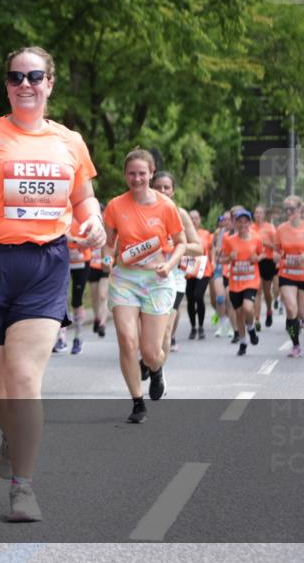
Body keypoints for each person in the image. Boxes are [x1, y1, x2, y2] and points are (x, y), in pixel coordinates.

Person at [0, 46, 104, 522]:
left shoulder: (70, 141)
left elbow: (85, 197)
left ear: (50, 83)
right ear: (7, 84)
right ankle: (11, 432)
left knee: (25, 377)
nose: (24, 84)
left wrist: (95, 222)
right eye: (15, 77)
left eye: (34, 76)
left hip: (45, 264)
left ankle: (23, 487)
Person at [103, 150, 185, 424]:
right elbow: (109, 242)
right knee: (127, 340)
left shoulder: (165, 206)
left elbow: (181, 242)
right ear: (125, 175)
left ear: (151, 173)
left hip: (157, 280)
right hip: (125, 279)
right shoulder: (115, 205)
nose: (136, 178)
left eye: (142, 173)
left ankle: (156, 369)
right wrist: (106, 259)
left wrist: (169, 264)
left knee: (151, 351)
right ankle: (137, 403)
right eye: (131, 173)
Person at [149, 171, 202, 356]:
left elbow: (198, 248)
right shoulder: (141, 211)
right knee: (148, 333)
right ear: (151, 188)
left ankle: (157, 374)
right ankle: (150, 359)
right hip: (146, 278)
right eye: (158, 187)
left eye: (166, 187)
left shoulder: (180, 214)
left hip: (174, 279)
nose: (162, 190)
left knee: (165, 330)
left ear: (173, 191)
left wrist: (177, 246)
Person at [273, 195, 304, 356]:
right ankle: (296, 345)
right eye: (286, 209)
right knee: (291, 310)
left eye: (291, 209)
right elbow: (276, 250)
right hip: (287, 274)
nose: (288, 212)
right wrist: (276, 256)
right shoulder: (281, 229)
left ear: (299, 210)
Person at [219, 210, 263, 355]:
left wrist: (257, 258)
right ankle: (243, 343)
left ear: (250, 223)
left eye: (246, 221)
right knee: (238, 314)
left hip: (251, 280)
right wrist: (229, 258)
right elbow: (221, 259)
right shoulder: (229, 240)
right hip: (235, 282)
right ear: (235, 223)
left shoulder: (256, 239)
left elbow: (262, 253)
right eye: (240, 221)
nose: (243, 224)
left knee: (247, 308)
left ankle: (251, 328)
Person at [64, 217, 92, 354]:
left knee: (76, 300)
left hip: (82, 261)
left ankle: (77, 337)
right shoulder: (63, 210)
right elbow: (61, 232)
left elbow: (93, 237)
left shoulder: (85, 213)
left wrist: (85, 242)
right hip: (64, 261)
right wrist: (76, 240)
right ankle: (60, 337)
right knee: (62, 298)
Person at [185, 209, 212, 339]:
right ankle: (193, 327)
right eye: (191, 218)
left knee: (198, 296)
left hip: (204, 270)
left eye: (196, 218)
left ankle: (201, 326)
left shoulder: (205, 234)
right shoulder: (184, 235)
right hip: (190, 269)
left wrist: (214, 264)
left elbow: (211, 251)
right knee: (190, 299)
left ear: (200, 220)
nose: (194, 221)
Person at [252, 205, 278, 328]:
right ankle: (256, 319)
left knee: (267, 291)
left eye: (260, 213)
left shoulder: (270, 228)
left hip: (268, 261)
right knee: (257, 290)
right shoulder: (250, 228)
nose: (258, 215)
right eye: (256, 212)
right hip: (256, 261)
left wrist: (265, 243)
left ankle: (269, 310)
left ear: (264, 215)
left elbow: (277, 246)